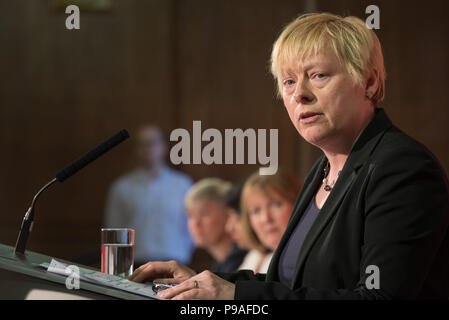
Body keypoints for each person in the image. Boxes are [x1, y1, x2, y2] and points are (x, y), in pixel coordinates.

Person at [129, 13, 449, 299]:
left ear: (369, 82)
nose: (300, 94)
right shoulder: (322, 171)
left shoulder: (401, 168)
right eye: (289, 81)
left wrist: (238, 297)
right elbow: (288, 283)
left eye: (319, 75)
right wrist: (201, 282)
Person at [104, 125, 194, 268]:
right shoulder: (121, 187)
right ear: (136, 150)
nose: (148, 148)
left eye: (153, 142)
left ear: (164, 146)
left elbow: (192, 225)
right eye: (142, 144)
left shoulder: (183, 184)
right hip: (135, 262)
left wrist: (185, 252)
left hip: (176, 261)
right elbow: (114, 230)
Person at [227, 170, 301, 274]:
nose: (265, 218)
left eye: (276, 205)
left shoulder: (303, 260)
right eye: (256, 210)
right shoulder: (254, 256)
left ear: (298, 203)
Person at [184, 178, 248, 273]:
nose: (195, 223)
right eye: (190, 215)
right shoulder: (221, 263)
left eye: (204, 214)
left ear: (229, 215)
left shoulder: (243, 259)